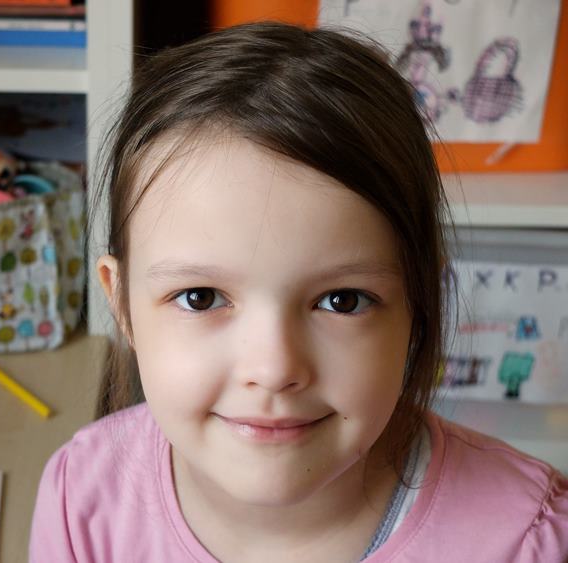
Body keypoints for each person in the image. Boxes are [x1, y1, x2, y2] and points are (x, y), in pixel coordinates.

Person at [29, 22, 568, 562]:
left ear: (419, 302)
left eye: (342, 301)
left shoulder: (526, 542)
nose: (273, 369)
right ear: (121, 304)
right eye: (201, 297)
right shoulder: (82, 500)